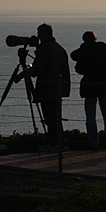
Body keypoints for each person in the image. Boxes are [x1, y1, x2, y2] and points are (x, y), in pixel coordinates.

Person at [70, 31, 106, 150]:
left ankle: (93, 143)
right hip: (103, 85)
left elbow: (74, 57)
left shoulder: (84, 51)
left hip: (89, 85)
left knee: (90, 116)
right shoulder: (104, 48)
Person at [28, 23, 71, 151]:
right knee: (56, 117)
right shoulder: (59, 48)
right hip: (58, 88)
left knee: (50, 118)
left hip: (47, 88)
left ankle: (55, 144)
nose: (37, 36)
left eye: (39, 33)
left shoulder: (45, 49)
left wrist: (26, 72)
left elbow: (38, 70)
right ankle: (60, 142)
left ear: (44, 33)